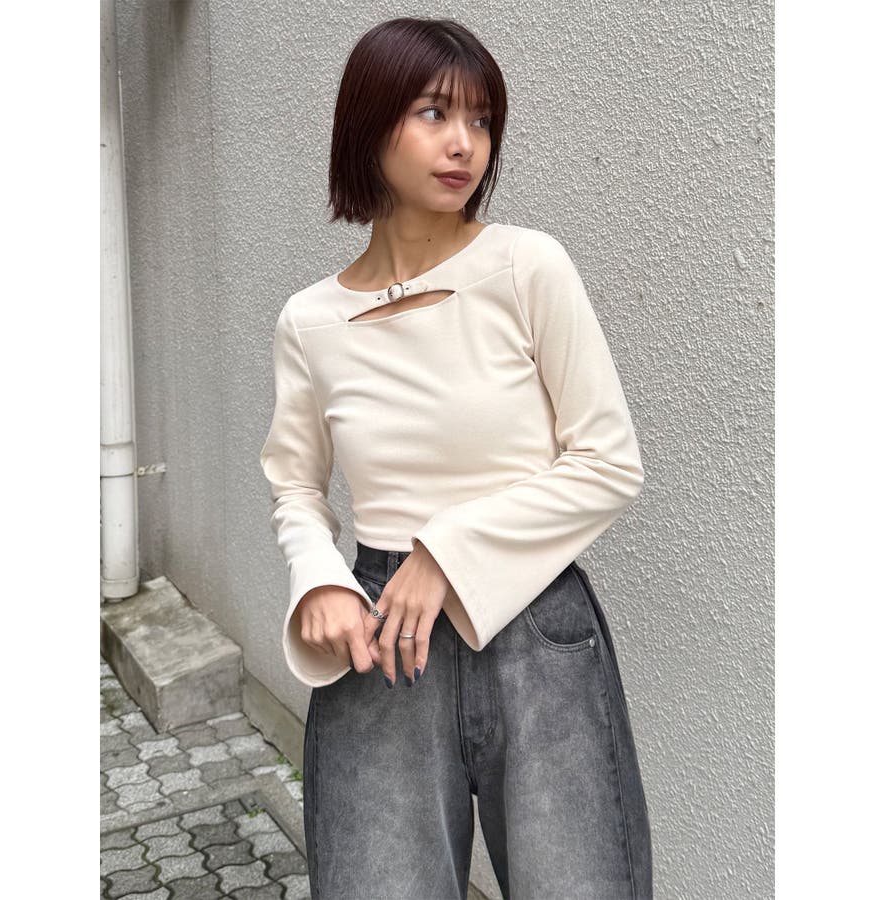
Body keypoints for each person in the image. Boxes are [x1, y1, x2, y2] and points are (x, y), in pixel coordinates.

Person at [259, 16, 653, 900]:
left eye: (481, 120)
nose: (464, 144)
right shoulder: (310, 322)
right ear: (369, 122)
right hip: (379, 637)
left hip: (538, 625)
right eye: (434, 113)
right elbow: (295, 482)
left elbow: (609, 461)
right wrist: (319, 579)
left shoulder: (526, 267)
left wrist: (447, 553)